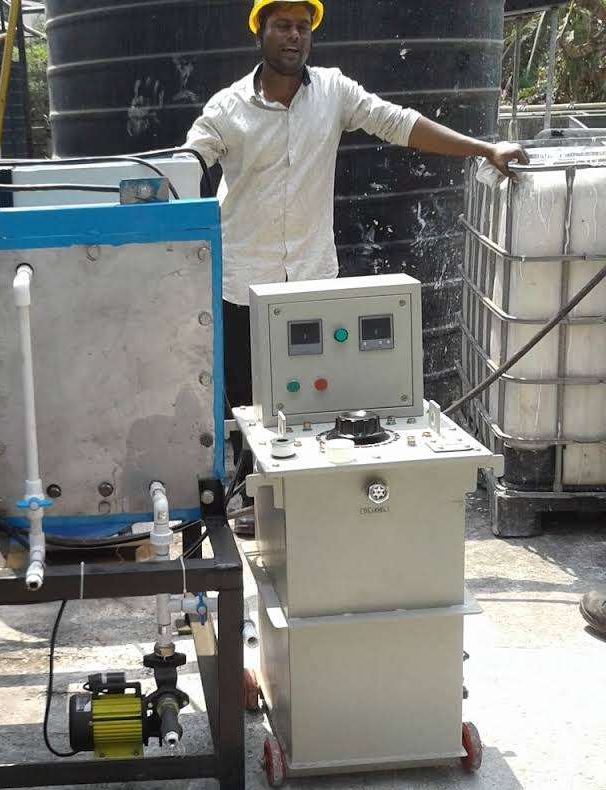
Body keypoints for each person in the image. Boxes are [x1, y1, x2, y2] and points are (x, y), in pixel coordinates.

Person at [184, 0, 527, 536]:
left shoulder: (334, 92)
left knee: (319, 397)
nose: (294, 36)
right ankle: (256, 499)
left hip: (312, 281)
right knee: (250, 404)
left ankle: (313, 497)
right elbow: (190, 160)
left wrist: (484, 149)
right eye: (282, 26)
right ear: (259, 33)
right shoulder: (228, 108)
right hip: (243, 283)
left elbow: (399, 123)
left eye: (303, 27)